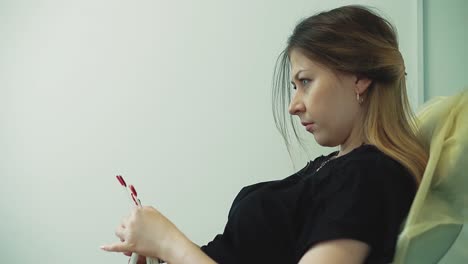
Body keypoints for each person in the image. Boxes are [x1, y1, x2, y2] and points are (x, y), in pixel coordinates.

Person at [100, 4, 428, 264]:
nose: (293, 106)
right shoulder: (335, 165)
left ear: (360, 78)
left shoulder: (368, 174)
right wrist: (163, 252)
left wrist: (170, 244)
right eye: (293, 86)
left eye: (305, 82)